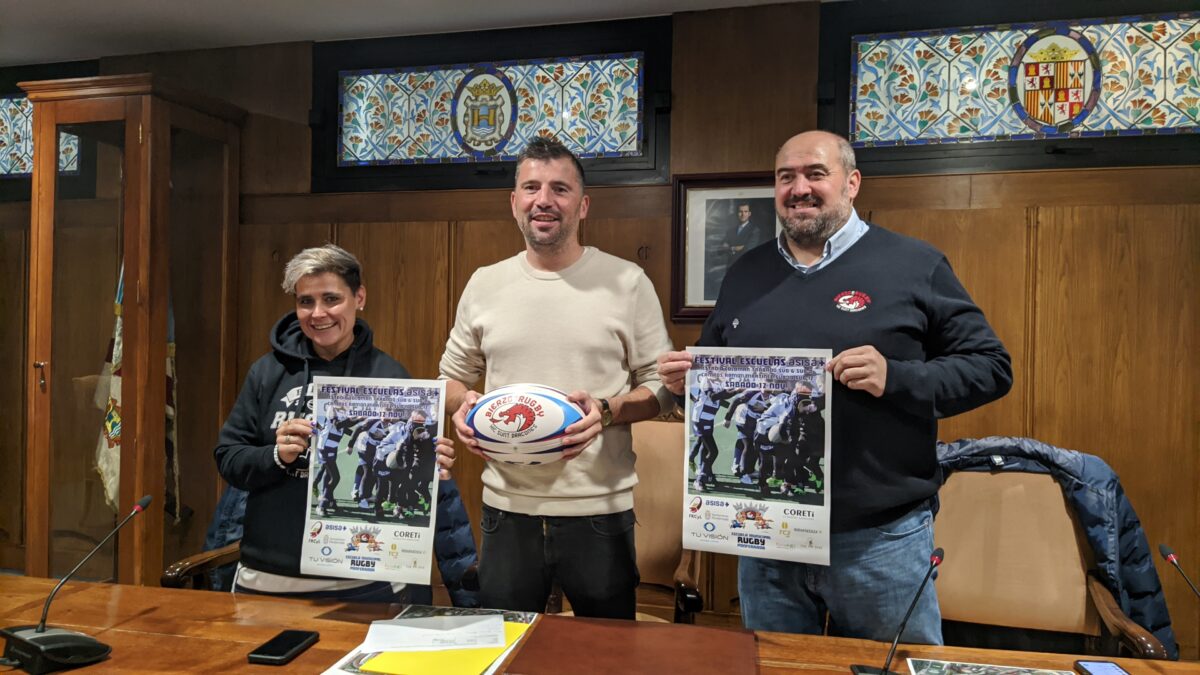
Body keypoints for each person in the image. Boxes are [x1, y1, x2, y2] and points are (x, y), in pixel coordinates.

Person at [657, 131, 1012, 643]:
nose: (799, 188)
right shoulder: (745, 272)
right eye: (786, 177)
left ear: (851, 183)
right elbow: (713, 371)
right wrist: (689, 379)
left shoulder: (915, 264)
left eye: (814, 174)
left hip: (878, 539)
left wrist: (898, 377)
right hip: (766, 536)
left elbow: (991, 367)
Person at [439, 136, 675, 619]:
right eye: (531, 187)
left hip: (598, 512)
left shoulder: (627, 282)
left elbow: (663, 388)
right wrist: (462, 409)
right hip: (507, 509)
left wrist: (608, 411)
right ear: (514, 202)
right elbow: (450, 380)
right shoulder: (485, 282)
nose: (543, 200)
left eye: (560, 189)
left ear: (582, 204)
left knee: (606, 658)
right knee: (505, 650)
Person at [211, 244, 478, 606]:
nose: (318, 313)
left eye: (331, 299)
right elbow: (228, 458)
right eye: (306, 301)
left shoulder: (390, 376)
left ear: (360, 297)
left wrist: (431, 464)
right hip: (267, 579)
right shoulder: (267, 372)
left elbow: (405, 467)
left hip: (362, 583)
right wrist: (275, 455)